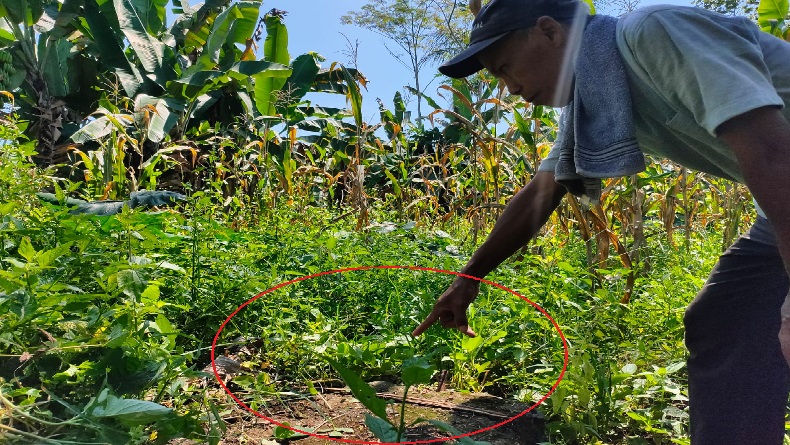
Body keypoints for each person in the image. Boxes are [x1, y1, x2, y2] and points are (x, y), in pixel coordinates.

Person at [410, 0, 790, 443]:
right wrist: (468, 278)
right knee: (727, 320)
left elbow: (772, 153)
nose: (509, 88)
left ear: (549, 32)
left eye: (505, 67)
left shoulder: (653, 33)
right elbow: (541, 192)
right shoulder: (597, 96)